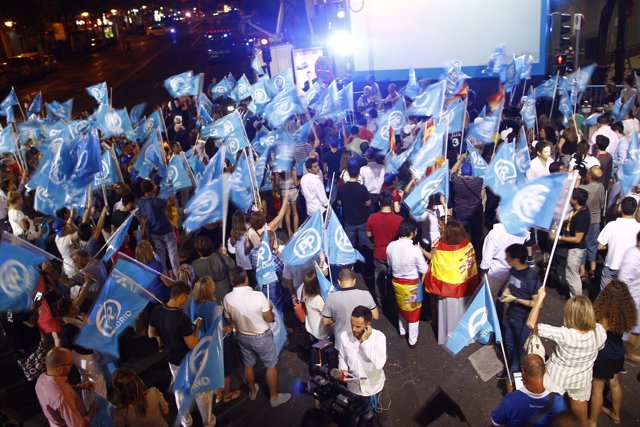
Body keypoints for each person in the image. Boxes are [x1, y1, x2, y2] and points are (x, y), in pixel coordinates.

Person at [526, 288, 606, 427]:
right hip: (581, 379)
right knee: (582, 419)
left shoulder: (564, 334)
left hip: (556, 378)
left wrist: (539, 301)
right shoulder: (599, 331)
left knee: (548, 414)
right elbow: (600, 347)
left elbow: (531, 324)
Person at [148, 282, 217, 427]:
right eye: (187, 298)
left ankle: (186, 421)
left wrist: (163, 338)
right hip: (188, 361)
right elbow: (192, 344)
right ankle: (208, 421)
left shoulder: (156, 311)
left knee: (180, 392)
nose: (187, 301)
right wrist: (196, 328)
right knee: (201, 391)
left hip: (172, 359)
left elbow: (151, 334)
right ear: (182, 296)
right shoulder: (181, 318)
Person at [223, 267, 291, 408]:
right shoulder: (258, 296)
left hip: (242, 336)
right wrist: (271, 309)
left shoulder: (227, 298)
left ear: (231, 281)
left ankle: (252, 391)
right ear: (246, 278)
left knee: (248, 364)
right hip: (262, 337)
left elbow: (229, 320)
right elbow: (269, 318)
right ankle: (273, 397)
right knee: (270, 366)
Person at [589, 280, 637, 427]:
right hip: (617, 352)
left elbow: (600, 332)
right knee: (615, 383)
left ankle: (592, 422)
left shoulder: (606, 314)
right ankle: (616, 415)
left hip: (604, 354)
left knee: (598, 388)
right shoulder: (625, 311)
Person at [425, 220, 479, 345]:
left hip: (447, 290)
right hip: (464, 287)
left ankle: (448, 336)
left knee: (448, 315)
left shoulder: (439, 248)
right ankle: (463, 336)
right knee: (462, 313)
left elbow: (435, 266)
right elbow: (471, 265)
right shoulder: (468, 245)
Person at [191, 276, 242, 404]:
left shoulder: (194, 304)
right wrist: (231, 328)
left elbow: (195, 323)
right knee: (225, 370)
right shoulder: (214, 306)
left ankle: (218, 394)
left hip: (204, 342)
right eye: (212, 284)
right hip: (220, 343)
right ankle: (227, 394)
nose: (214, 286)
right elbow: (220, 329)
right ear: (209, 290)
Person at [498, 244, 541, 378]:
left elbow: (537, 303)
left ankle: (518, 376)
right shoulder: (513, 270)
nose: (506, 259)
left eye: (508, 256)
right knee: (510, 346)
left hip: (523, 321)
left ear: (516, 259)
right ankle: (511, 369)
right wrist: (506, 291)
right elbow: (509, 284)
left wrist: (515, 299)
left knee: (521, 350)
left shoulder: (532, 278)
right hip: (511, 316)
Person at [491, 354, 568, 427]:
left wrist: (510, 394)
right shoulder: (558, 401)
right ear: (545, 370)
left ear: (523, 372)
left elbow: (496, 423)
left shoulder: (510, 400)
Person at [386, 220, 428, 348]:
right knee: (414, 312)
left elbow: (389, 264)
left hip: (397, 282)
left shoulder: (391, 246)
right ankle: (412, 340)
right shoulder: (414, 250)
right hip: (413, 284)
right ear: (413, 233)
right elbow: (424, 269)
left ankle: (402, 330)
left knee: (401, 307)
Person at [35, 347, 100, 427]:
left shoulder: (41, 379)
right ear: (59, 368)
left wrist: (79, 386)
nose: (72, 366)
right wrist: (92, 411)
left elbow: (54, 393)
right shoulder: (62, 396)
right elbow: (78, 425)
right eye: (70, 364)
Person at [336, 306, 386, 397]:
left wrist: (365, 342)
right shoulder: (345, 336)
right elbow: (342, 356)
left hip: (373, 387)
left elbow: (379, 364)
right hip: (354, 388)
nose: (354, 329)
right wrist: (343, 369)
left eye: (358, 326)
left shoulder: (379, 337)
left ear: (368, 325)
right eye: (352, 325)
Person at [322, 269, 379, 347]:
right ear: (354, 281)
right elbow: (375, 316)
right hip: (362, 338)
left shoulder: (331, 298)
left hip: (342, 342)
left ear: (339, 282)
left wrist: (338, 317)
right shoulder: (366, 294)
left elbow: (326, 321)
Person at [549, 188, 590, 297]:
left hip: (576, 250)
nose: (569, 198)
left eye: (571, 197)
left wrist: (559, 237)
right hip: (573, 249)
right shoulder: (579, 211)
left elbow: (577, 239)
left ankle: (577, 301)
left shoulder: (581, 216)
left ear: (575, 200)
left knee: (572, 276)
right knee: (570, 274)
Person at [366, 191, 403, 307]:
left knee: (379, 278)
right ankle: (393, 300)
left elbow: (368, 235)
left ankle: (380, 300)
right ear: (391, 202)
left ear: (379, 202)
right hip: (394, 255)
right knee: (394, 278)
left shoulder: (372, 218)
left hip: (379, 253)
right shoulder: (399, 219)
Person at [138, 179, 180, 274]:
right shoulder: (156, 201)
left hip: (153, 234)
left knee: (161, 259)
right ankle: (178, 278)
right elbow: (170, 202)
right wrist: (174, 190)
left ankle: (165, 280)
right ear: (151, 189)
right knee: (173, 256)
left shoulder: (140, 202)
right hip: (167, 232)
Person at [597, 196, 640, 289]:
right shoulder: (638, 227)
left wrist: (609, 246)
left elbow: (600, 246)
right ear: (635, 209)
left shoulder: (611, 225)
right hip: (631, 269)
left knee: (605, 298)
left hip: (611, 265)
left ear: (621, 208)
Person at [480, 217, 529, 296]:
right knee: (507, 298)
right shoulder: (523, 232)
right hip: (513, 270)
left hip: (495, 272)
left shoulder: (495, 233)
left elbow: (486, 259)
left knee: (490, 297)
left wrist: (483, 273)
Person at [336, 161, 371, 250]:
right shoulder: (362, 188)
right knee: (363, 243)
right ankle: (363, 259)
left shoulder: (342, 188)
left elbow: (339, 202)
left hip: (349, 219)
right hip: (362, 220)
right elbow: (368, 203)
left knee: (350, 243)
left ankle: (351, 261)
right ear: (358, 173)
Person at [577, 166, 605, 279]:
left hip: (585, 220)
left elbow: (576, 195)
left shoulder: (583, 188)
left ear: (589, 176)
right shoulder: (601, 187)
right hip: (596, 220)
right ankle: (593, 269)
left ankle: (582, 270)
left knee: (582, 245)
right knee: (592, 245)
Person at [192, 236, 235, 301]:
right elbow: (232, 266)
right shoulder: (220, 257)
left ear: (198, 251)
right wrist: (225, 256)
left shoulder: (194, 265)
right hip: (224, 295)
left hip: (208, 298)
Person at [302, 270, 331, 341]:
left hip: (311, 327)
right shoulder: (318, 300)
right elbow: (328, 313)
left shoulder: (305, 291)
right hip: (321, 332)